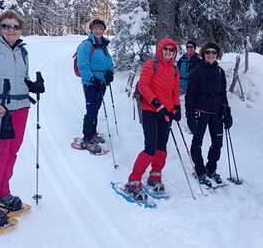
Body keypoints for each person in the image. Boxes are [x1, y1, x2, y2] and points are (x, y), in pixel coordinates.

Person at [0, 10, 44, 227]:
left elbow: (21, 77)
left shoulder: (22, 51)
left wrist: (33, 85)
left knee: (12, 151)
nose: (10, 30)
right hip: (0, 109)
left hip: (21, 108)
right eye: (5, 25)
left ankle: (3, 192)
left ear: (21, 29)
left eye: (15, 26)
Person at [124, 37, 181, 201]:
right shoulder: (151, 64)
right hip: (150, 110)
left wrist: (177, 107)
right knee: (150, 147)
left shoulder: (174, 70)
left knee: (161, 147)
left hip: (166, 113)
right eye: (166, 50)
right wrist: (157, 103)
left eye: (172, 50)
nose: (169, 53)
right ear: (160, 50)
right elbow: (143, 86)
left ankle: (155, 175)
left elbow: (175, 91)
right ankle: (134, 180)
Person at [185, 43, 232, 188]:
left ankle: (211, 169)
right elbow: (189, 96)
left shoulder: (220, 72)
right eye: (208, 52)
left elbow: (223, 94)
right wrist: (190, 116)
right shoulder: (196, 71)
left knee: (217, 143)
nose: (211, 55)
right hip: (201, 112)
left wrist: (227, 113)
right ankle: (200, 171)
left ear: (217, 55)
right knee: (197, 143)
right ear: (204, 54)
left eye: (214, 52)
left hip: (216, 113)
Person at [76, 19, 114, 153]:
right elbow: (83, 66)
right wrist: (92, 79)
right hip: (90, 83)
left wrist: (110, 72)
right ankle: (87, 138)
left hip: (102, 82)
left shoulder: (103, 45)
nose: (98, 30)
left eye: (101, 28)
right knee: (91, 109)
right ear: (91, 30)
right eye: (96, 28)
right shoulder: (86, 45)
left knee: (96, 108)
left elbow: (109, 62)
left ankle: (92, 134)